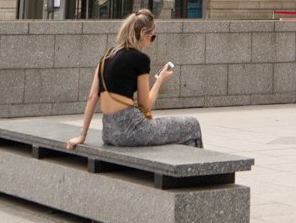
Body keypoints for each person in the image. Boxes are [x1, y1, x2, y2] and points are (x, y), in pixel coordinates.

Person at [67, 9, 202, 149]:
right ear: (143, 32)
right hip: (133, 131)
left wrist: (82, 135)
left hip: (108, 132)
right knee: (192, 125)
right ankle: (198, 169)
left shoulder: (106, 57)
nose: (150, 41)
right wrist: (159, 80)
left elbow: (92, 97)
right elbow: (146, 105)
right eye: (152, 37)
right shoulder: (140, 59)